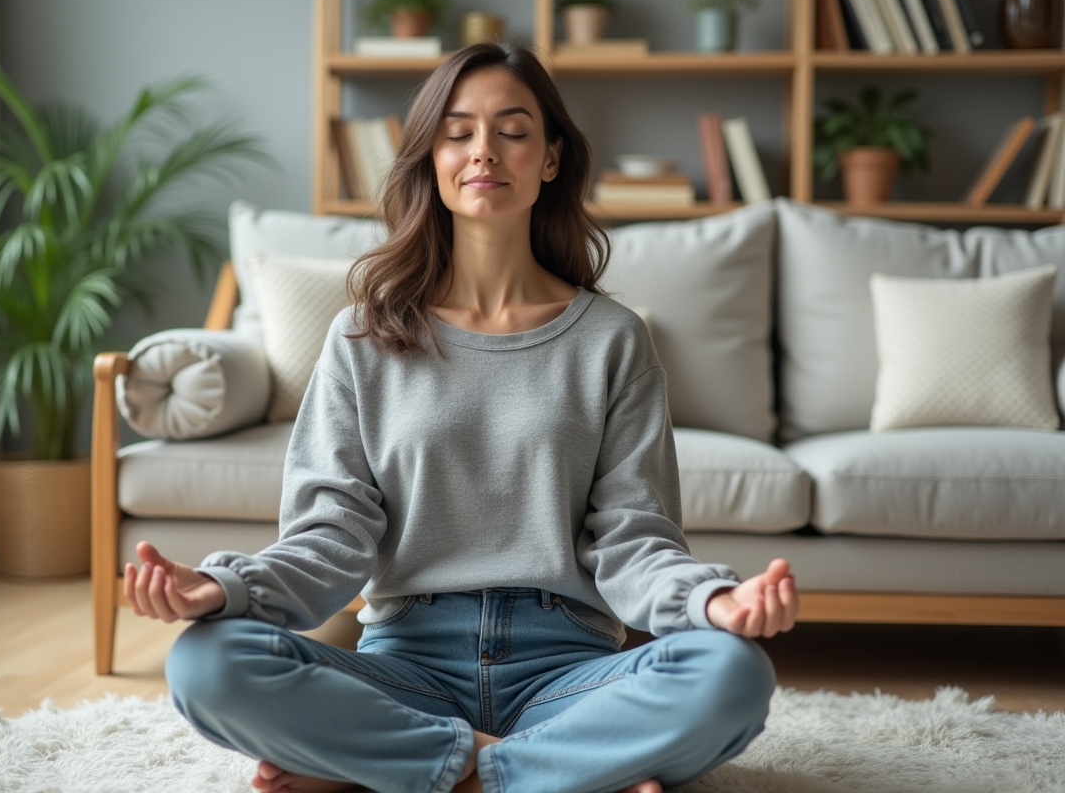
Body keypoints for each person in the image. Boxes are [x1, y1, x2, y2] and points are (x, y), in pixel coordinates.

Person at [125, 40, 799, 793]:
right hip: (405, 666)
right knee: (205, 662)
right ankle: (564, 769)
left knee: (732, 673)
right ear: (430, 158)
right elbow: (331, 536)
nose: (485, 151)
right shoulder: (361, 338)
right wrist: (226, 589)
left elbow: (635, 539)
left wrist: (714, 599)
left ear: (550, 159)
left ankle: (406, 766)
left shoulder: (612, 339)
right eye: (457, 131)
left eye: (513, 130)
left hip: (569, 672)